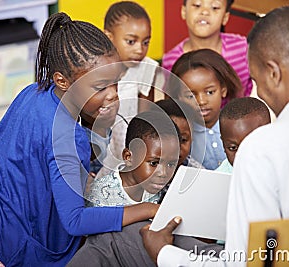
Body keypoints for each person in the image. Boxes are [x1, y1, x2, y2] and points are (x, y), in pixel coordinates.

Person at [0, 12, 159, 267]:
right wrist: (148, 210)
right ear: (62, 80)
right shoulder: (66, 137)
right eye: (100, 87)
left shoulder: (35, 91)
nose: (112, 95)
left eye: (115, 83)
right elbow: (74, 221)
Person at [140, 6, 289, 266]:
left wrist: (164, 253)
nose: (258, 92)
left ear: (273, 73)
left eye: (256, 80)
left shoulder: (262, 150)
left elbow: (246, 262)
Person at [102, 1, 161, 169]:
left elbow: (145, 117)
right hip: (103, 146)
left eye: (145, 42)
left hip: (131, 148)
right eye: (131, 41)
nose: (139, 50)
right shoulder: (98, 69)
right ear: (109, 37)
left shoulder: (146, 68)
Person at [162, 0, 252, 105]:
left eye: (214, 7)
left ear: (225, 17)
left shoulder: (243, 47)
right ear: (183, 11)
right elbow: (172, 102)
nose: (204, 12)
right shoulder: (171, 60)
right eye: (197, 5)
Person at [85, 111, 180, 207]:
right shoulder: (102, 194)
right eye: (154, 163)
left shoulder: (163, 192)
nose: (163, 173)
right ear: (128, 157)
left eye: (170, 165)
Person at [168, 48, 243, 170]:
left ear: (223, 90)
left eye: (209, 92)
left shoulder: (238, 125)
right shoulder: (182, 136)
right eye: (190, 95)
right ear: (178, 97)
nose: (201, 101)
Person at [215, 97, 270, 173]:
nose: (242, 156)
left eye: (252, 145)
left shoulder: (285, 168)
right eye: (233, 148)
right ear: (223, 144)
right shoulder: (218, 178)